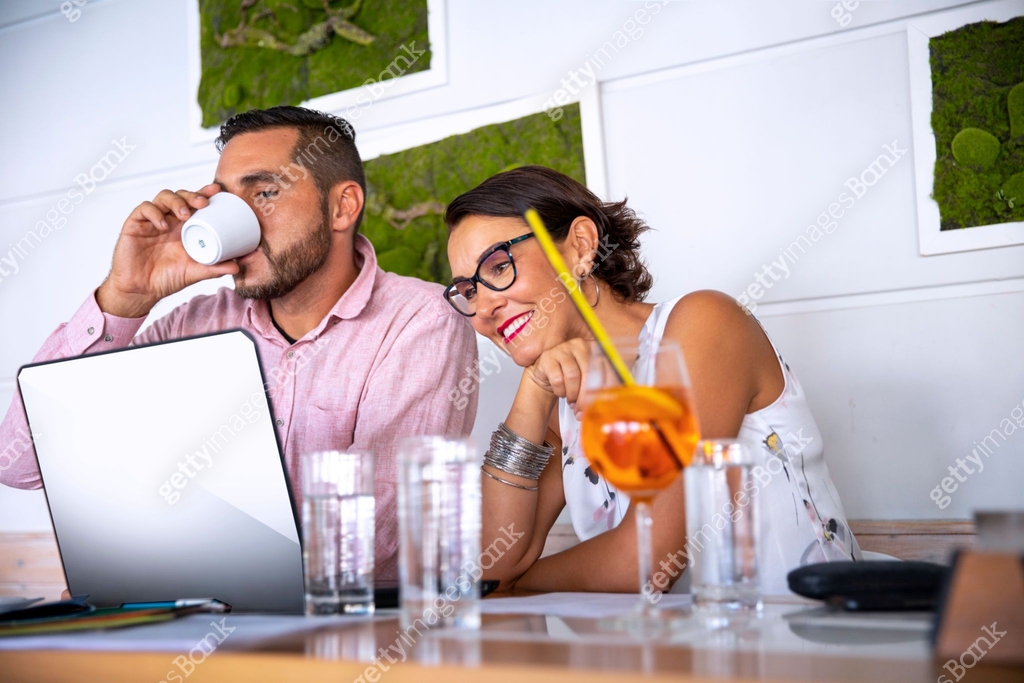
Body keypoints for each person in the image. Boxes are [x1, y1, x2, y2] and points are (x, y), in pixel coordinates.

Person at [0, 106, 478, 583]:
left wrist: (160, 565)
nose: (238, 220)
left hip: (342, 637)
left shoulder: (420, 321)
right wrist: (126, 297)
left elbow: (377, 530)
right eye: (225, 201)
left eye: (264, 192)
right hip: (182, 623)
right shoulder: (194, 325)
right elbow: (18, 464)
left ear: (342, 207)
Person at [442, 165, 860, 595]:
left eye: (497, 266)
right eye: (468, 292)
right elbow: (486, 566)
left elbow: (647, 560)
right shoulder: (560, 400)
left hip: (807, 639)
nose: (484, 306)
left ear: (580, 248)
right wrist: (532, 394)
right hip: (680, 655)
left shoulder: (704, 326)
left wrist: (515, 586)